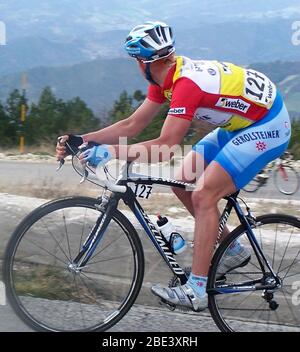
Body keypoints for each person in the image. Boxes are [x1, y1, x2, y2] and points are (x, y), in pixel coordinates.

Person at [56, 21, 292, 312]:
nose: (135, 66)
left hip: (267, 125)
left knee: (204, 194)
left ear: (145, 62)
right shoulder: (167, 77)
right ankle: (231, 248)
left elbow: (165, 148)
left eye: (135, 61)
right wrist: (84, 139)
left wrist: (110, 152)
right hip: (238, 123)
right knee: (183, 181)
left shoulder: (185, 86)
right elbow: (133, 124)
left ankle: (197, 290)